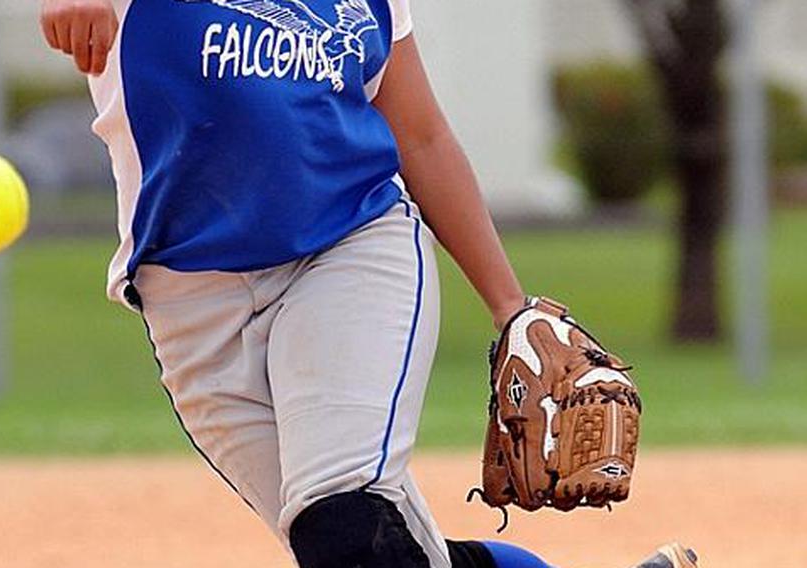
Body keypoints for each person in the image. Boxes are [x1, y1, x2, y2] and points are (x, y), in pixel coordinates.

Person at [39, 1, 696, 567]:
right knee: (372, 547)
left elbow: (423, 136)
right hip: (190, 301)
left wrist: (510, 308)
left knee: (341, 519)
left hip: (348, 250)